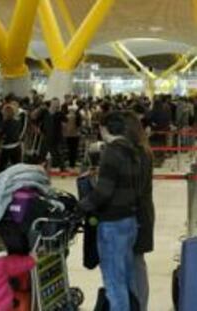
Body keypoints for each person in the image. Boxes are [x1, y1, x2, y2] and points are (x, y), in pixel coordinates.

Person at [80, 111, 141, 311]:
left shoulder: (112, 152)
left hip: (112, 224)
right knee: (126, 279)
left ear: (103, 129)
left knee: (114, 284)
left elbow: (104, 193)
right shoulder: (132, 151)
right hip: (129, 221)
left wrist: (82, 206)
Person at [122, 111, 155, 311]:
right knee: (134, 264)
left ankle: (139, 306)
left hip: (136, 216)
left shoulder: (137, 154)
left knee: (135, 264)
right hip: (139, 213)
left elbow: (135, 188)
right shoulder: (140, 151)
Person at [0, 102, 23, 170]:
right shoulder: (17, 122)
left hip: (6, 146)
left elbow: (0, 133)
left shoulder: (3, 123)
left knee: (2, 166)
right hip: (16, 145)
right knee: (17, 167)